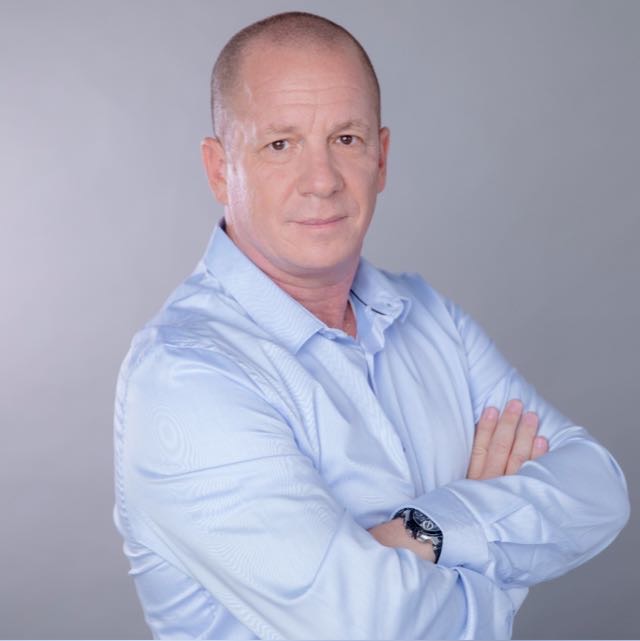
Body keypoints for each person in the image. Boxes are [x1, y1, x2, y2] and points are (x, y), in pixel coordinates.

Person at [113, 11, 629, 640]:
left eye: (346, 138)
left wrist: (426, 531)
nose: (322, 180)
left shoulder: (430, 316)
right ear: (220, 169)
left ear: (381, 158)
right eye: (280, 145)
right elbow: (366, 628)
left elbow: (599, 490)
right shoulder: (186, 376)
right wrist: (506, 558)